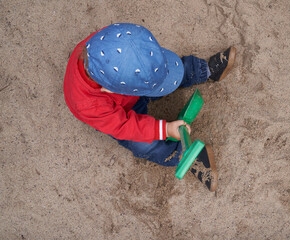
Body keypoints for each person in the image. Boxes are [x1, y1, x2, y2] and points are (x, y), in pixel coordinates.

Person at [63, 23, 236, 192]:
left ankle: (201, 70)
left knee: (163, 70)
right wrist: (165, 129)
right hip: (121, 113)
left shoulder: (108, 41)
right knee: (143, 144)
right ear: (109, 90)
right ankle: (183, 155)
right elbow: (124, 126)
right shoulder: (88, 105)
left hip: (133, 83)